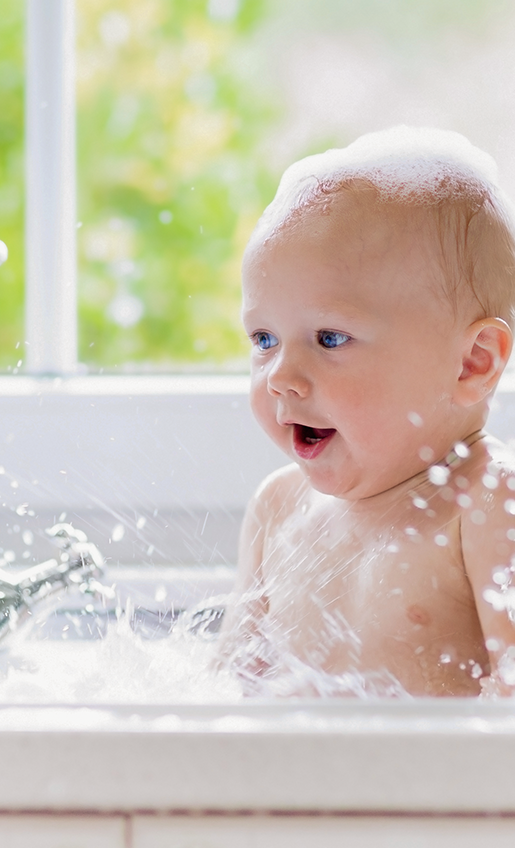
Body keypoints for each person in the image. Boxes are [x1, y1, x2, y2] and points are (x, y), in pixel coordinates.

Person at [217, 126, 515, 697]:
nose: (279, 375)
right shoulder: (279, 507)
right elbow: (225, 692)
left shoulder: (485, 504)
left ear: (471, 363)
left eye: (330, 338)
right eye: (263, 339)